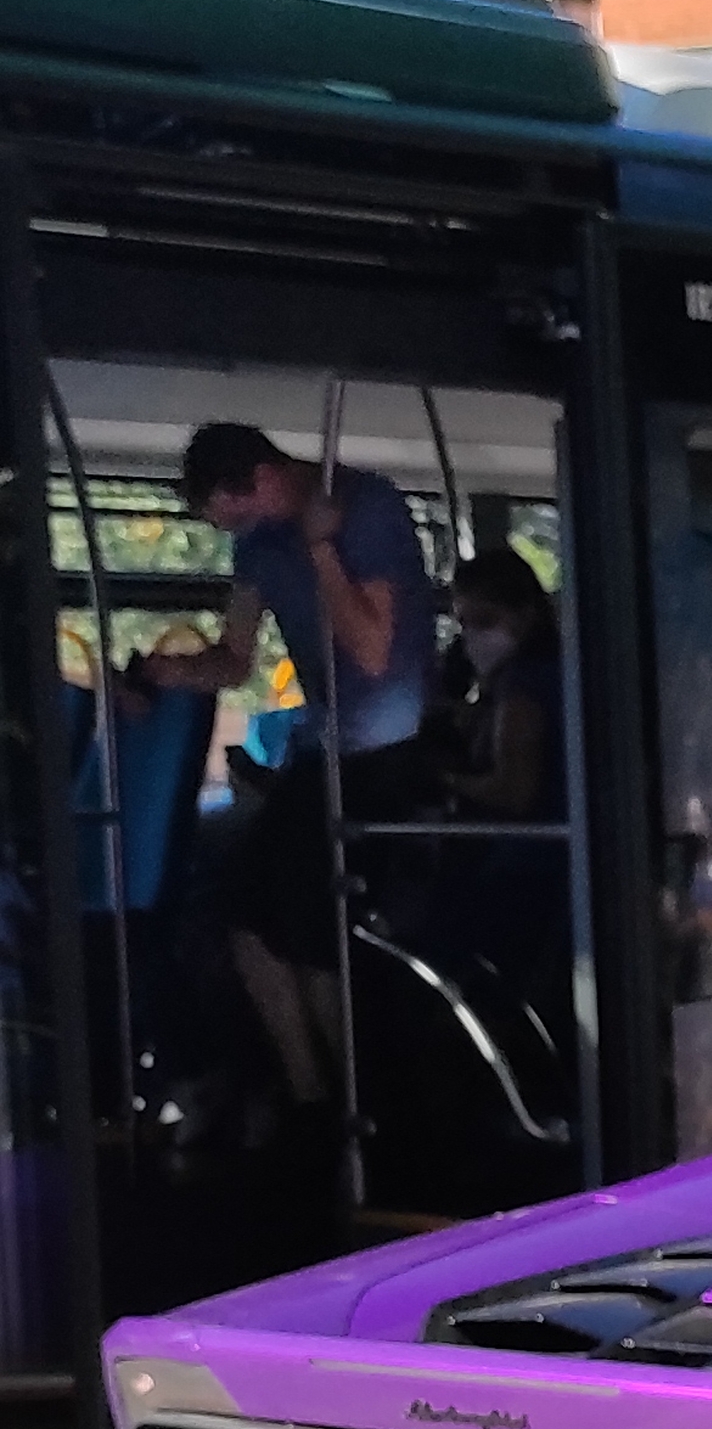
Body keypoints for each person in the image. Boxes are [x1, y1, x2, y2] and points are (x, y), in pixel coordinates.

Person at [142, 420, 437, 1117]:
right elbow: (235, 658)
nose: (239, 530)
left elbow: (370, 648)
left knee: (309, 937)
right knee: (246, 918)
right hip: (324, 744)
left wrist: (321, 549)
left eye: (238, 511)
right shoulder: (259, 543)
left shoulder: (364, 510)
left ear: (265, 479)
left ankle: (360, 1099)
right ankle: (312, 1091)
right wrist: (163, 674)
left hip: (384, 745)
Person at [433, 541, 563, 821]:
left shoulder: (524, 683)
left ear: (526, 614)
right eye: (464, 624)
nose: (473, 637)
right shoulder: (542, 674)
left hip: (525, 852)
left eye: (486, 621)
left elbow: (514, 791)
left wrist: (445, 781)